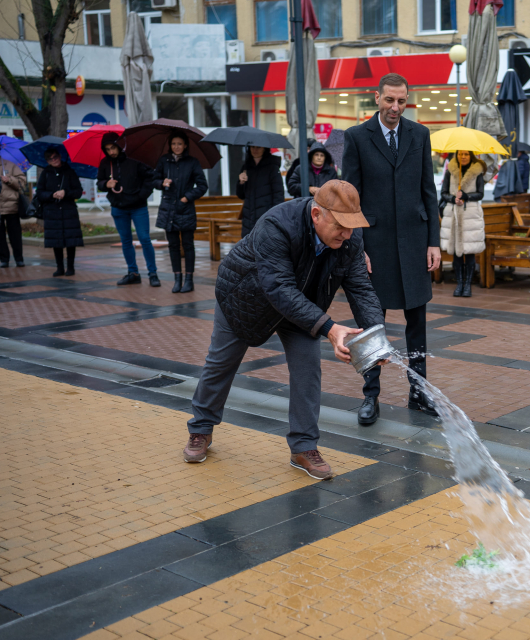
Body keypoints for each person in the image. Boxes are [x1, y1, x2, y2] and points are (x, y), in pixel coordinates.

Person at [183, 180, 384, 479]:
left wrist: (376, 340)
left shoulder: (350, 240)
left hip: (301, 307)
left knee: (308, 369)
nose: (348, 233)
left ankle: (303, 446)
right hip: (245, 298)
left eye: (353, 226)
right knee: (221, 363)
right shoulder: (276, 225)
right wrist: (329, 328)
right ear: (317, 215)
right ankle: (201, 428)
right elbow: (278, 288)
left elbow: (361, 289)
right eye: (341, 225)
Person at [341, 72, 441, 427]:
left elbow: (428, 191)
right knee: (372, 324)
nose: (395, 107)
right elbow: (348, 200)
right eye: (389, 100)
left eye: (401, 101)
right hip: (375, 247)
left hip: (415, 244)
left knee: (417, 325)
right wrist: (357, 247)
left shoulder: (419, 135)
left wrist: (434, 242)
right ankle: (370, 397)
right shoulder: (355, 138)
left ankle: (419, 392)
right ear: (377, 97)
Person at [96, 132, 159, 287]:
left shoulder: (134, 159)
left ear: (119, 145)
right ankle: (133, 273)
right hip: (118, 208)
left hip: (138, 207)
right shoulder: (105, 163)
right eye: (107, 149)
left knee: (144, 239)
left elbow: (150, 177)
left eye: (113, 147)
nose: (111, 151)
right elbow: (99, 182)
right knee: (126, 241)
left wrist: (141, 196)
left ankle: (153, 273)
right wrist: (106, 184)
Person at [154, 134, 208, 294]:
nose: (176, 146)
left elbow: (202, 186)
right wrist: (161, 183)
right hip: (168, 209)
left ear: (185, 146)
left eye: (180, 143)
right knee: (173, 246)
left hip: (185, 209)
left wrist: (186, 198)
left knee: (188, 245)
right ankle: (177, 279)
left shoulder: (192, 162)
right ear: (170, 145)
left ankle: (189, 280)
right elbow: (154, 180)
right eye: (173, 143)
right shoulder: (164, 160)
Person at [440, 150, 486, 298]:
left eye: (466, 154)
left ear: (470, 155)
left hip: (470, 215)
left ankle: (468, 285)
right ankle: (459, 283)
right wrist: (453, 199)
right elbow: (444, 193)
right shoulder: (450, 171)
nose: (463, 157)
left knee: (470, 251)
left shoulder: (477, 171)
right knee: (456, 253)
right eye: (460, 154)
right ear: (456, 155)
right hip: (453, 214)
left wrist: (467, 196)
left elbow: (480, 193)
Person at [37, 148, 84, 277]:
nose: (54, 160)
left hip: (68, 211)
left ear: (60, 156)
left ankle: (70, 267)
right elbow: (40, 193)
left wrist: (66, 193)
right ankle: (59, 267)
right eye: (51, 159)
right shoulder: (45, 173)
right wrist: (52, 195)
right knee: (55, 240)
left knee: (70, 240)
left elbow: (78, 191)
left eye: (56, 157)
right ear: (47, 161)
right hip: (52, 212)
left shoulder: (69, 172)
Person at [236, 145, 284, 238]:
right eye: (252, 147)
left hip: (266, 216)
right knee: (248, 247)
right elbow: (241, 194)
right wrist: (241, 183)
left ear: (264, 149)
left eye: (258, 147)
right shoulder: (246, 167)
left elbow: (278, 194)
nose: (255, 150)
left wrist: (274, 216)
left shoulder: (272, 167)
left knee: (265, 246)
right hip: (249, 218)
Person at [0, 155, 27, 268]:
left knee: (15, 235)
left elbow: (22, 183)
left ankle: (19, 259)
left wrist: (9, 179)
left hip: (12, 206)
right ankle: (4, 259)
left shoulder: (10, 165)